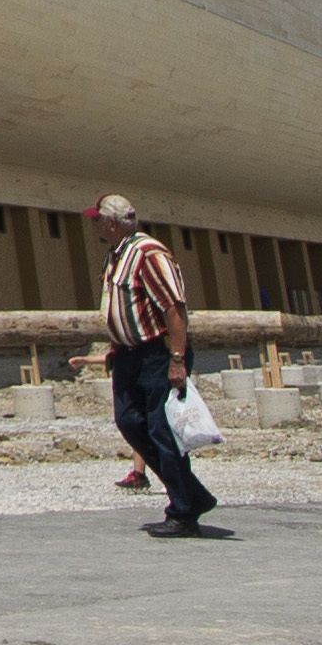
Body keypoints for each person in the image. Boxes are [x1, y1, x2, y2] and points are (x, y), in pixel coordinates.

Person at [93, 195, 224, 538]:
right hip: (128, 354)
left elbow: (174, 309)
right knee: (129, 420)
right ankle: (192, 494)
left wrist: (177, 359)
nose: (94, 226)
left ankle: (183, 509)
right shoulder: (115, 256)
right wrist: (114, 344)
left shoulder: (149, 255)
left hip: (156, 352)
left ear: (112, 223)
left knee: (162, 431)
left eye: (98, 220)